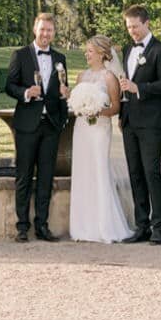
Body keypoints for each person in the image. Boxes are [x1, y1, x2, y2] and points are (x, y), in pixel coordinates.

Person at [5, 13, 70, 242]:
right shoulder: (20, 55)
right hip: (26, 125)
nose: (45, 34)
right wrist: (25, 93)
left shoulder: (60, 58)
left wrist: (64, 100)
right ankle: (22, 227)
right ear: (35, 29)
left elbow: (63, 88)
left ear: (54, 32)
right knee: (23, 176)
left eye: (49, 30)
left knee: (46, 177)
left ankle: (42, 226)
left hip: (50, 126)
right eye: (42, 29)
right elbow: (9, 85)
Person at [117, 3, 161, 245]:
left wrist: (138, 88)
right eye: (129, 27)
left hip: (151, 120)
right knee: (135, 173)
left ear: (146, 22)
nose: (132, 31)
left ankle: (158, 226)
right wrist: (122, 114)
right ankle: (141, 226)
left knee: (151, 172)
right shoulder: (129, 50)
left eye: (136, 26)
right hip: (129, 119)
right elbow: (125, 85)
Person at [68, 35, 134, 243]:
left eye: (90, 51)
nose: (86, 54)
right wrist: (76, 104)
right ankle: (82, 227)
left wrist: (97, 111)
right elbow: (73, 104)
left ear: (101, 54)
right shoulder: (81, 76)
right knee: (82, 173)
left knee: (99, 172)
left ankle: (105, 227)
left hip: (99, 130)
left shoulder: (109, 78)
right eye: (86, 51)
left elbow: (115, 106)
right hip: (81, 130)